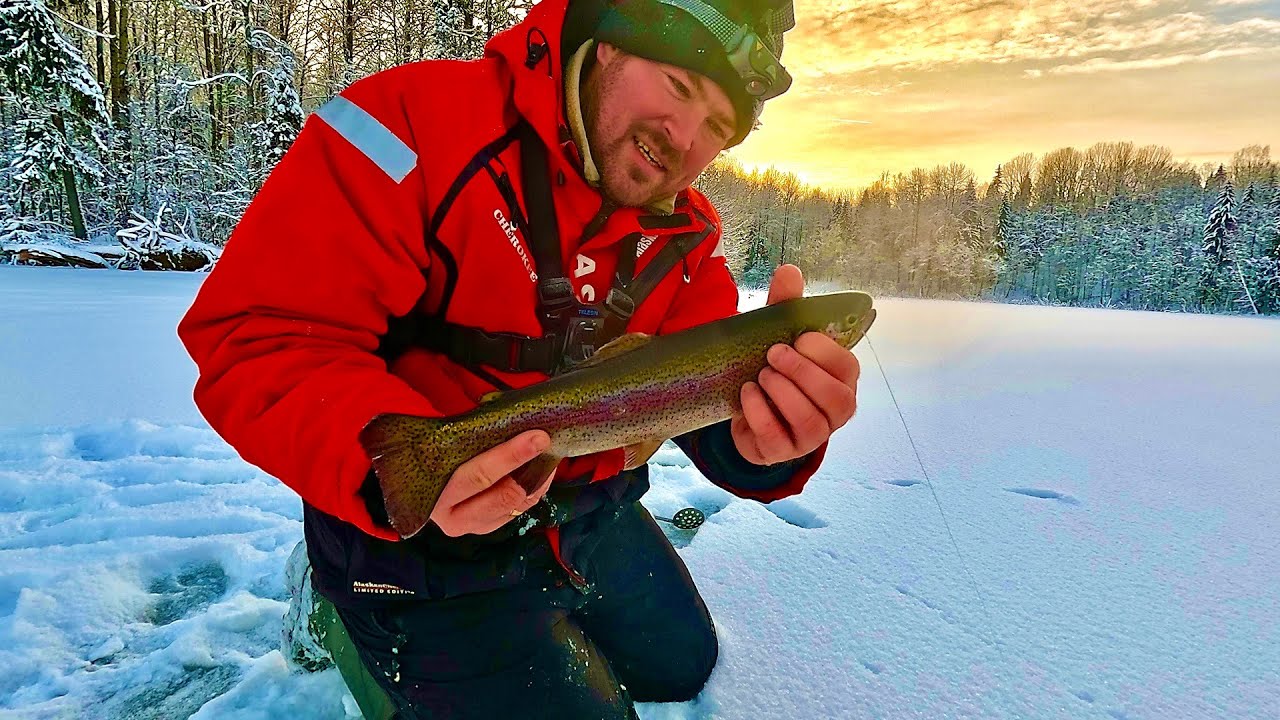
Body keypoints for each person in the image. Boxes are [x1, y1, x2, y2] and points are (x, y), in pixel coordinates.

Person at [178, 0, 861, 717]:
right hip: (422, 550)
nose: (686, 138)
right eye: (680, 87)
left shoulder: (688, 237)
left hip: (588, 515)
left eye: (719, 128)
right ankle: (332, 603)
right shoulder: (409, 124)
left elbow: (703, 400)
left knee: (683, 666)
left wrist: (773, 443)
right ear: (606, 48)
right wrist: (393, 479)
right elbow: (259, 336)